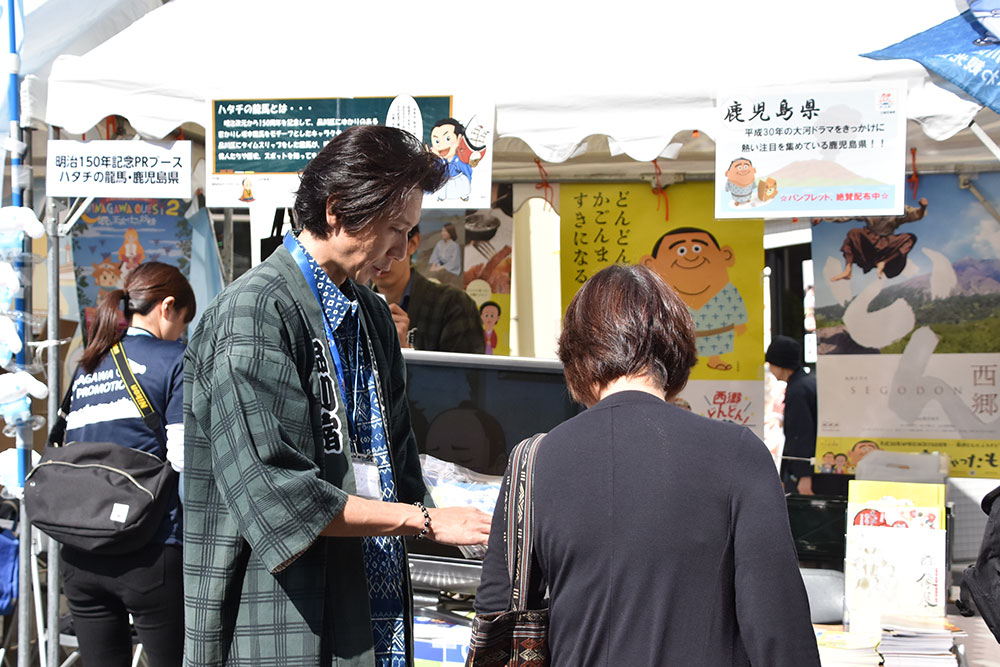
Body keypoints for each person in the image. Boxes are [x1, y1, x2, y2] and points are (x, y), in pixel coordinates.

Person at [183, 125, 492, 667]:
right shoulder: (253, 312)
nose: (399, 254)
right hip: (281, 609)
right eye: (394, 229)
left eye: (411, 233)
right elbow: (277, 494)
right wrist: (420, 521)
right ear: (336, 210)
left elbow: (398, 459)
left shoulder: (371, 314)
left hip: (373, 593)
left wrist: (472, 513)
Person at [475, 264, 820, 666]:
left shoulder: (531, 463)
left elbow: (496, 614)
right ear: (676, 348)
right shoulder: (739, 454)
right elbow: (779, 630)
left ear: (575, 355)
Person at [62, 261, 195, 667]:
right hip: (149, 549)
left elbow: (64, 441)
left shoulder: (88, 364)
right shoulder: (175, 359)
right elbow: (182, 456)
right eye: (183, 321)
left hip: (79, 552)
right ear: (167, 306)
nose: (181, 332)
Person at [640, 227, 747, 371]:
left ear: (725, 255)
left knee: (715, 346)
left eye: (697, 248)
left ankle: (714, 358)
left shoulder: (725, 289)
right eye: (681, 250)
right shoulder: (661, 296)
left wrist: (740, 323)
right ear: (650, 264)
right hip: (679, 340)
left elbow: (735, 303)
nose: (690, 256)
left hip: (718, 330)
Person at [371, 224, 484, 353]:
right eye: (371, 248)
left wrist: (404, 353)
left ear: (412, 244)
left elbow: (466, 372)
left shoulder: (454, 305)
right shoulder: (355, 306)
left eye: (387, 247)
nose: (379, 259)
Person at [814, 198, 928, 281]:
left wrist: (923, 207)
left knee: (910, 238)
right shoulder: (870, 206)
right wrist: (823, 217)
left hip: (888, 241)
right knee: (853, 233)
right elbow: (846, 215)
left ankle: (883, 262)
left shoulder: (898, 208)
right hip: (870, 239)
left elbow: (916, 214)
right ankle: (847, 270)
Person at [766, 335, 817, 495]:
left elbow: (801, 434)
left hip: (803, 473)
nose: (770, 368)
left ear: (781, 365)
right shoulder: (807, 383)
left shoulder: (797, 390)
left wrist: (804, 475)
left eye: (771, 364)